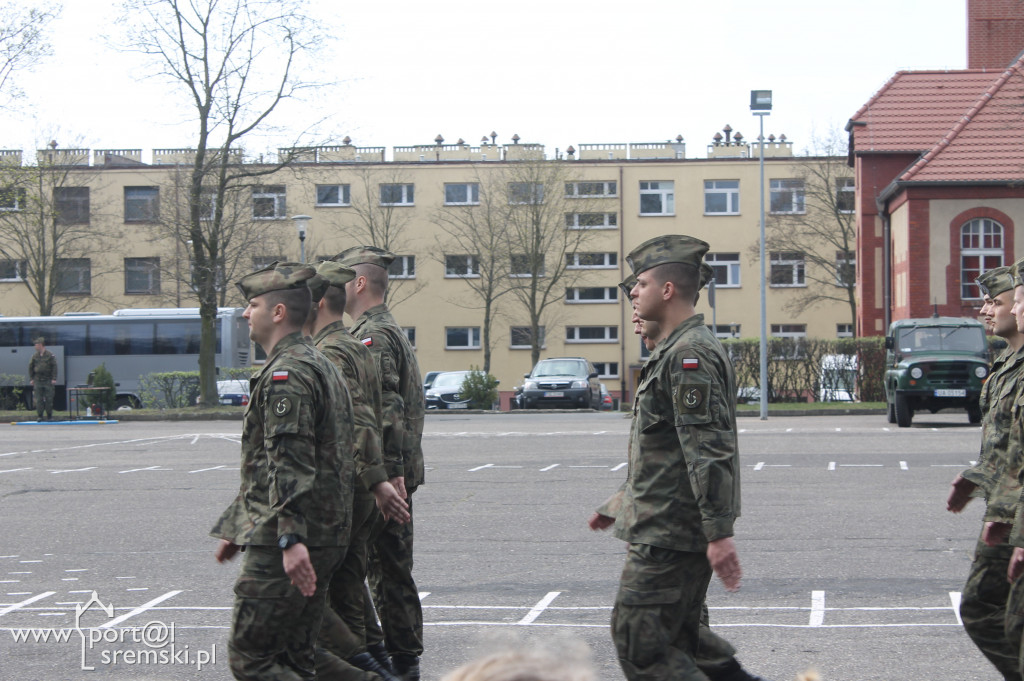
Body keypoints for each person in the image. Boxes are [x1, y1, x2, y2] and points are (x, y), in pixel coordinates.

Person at [596, 268, 769, 681]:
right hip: (662, 520)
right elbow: (663, 451)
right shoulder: (675, 351)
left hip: (671, 526)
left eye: (640, 285)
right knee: (683, 638)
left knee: (641, 641)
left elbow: (707, 449)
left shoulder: (687, 354)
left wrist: (718, 532)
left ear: (668, 290)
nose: (633, 297)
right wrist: (621, 504)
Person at [210, 261, 356, 681]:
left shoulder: (286, 374)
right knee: (297, 657)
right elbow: (269, 462)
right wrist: (238, 527)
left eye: (251, 305)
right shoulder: (316, 362)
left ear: (277, 313)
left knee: (251, 659)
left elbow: (289, 460)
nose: (244, 313)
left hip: (288, 539)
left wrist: (290, 538)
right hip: (320, 532)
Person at [305, 261, 410, 681]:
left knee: (341, 595)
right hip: (364, 483)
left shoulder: (334, 350)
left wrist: (380, 476)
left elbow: (366, 416)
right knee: (352, 588)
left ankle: (375, 672)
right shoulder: (350, 344)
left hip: (349, 485)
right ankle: (383, 669)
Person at [334, 245, 425, 681]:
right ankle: (395, 661)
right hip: (395, 471)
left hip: (389, 476)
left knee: (386, 574)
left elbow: (385, 408)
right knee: (387, 570)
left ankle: (400, 666)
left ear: (360, 283)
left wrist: (387, 476)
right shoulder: (385, 330)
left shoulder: (373, 336)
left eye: (342, 280)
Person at [946, 265, 1024, 680]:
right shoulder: (1006, 360)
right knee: (990, 612)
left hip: (1013, 514)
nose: (984, 311)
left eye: (996, 302)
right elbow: (1005, 443)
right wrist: (976, 477)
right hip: (1003, 509)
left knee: (994, 613)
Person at [28, 336, 57, 421]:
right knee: (38, 399)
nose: (35, 346)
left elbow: (54, 367)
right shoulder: (35, 356)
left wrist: (54, 378)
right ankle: (40, 416)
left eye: (36, 344)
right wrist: (31, 378)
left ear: (41, 345)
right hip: (38, 380)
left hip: (48, 379)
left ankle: (49, 416)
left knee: (49, 399)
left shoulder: (50, 355)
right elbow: (31, 367)